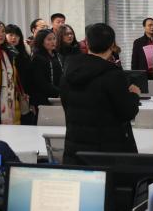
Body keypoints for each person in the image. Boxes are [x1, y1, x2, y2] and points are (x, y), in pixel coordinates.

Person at [60, 23, 141, 159]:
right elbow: (127, 112)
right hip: (108, 151)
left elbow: (66, 106)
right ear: (112, 45)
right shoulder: (113, 75)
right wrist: (134, 95)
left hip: (75, 149)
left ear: (87, 43)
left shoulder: (68, 72)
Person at [4, 24, 35, 124]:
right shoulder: (3, 53)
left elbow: (29, 75)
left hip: (23, 93)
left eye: (17, 36)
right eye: (11, 35)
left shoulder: (24, 53)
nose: (14, 38)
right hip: (8, 93)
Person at [29, 28, 63, 111]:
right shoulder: (37, 57)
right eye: (49, 39)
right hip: (43, 98)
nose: (53, 42)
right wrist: (58, 92)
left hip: (58, 96)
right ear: (41, 42)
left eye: (54, 39)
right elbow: (40, 81)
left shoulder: (57, 55)